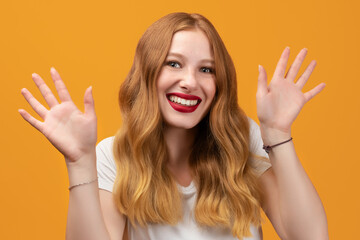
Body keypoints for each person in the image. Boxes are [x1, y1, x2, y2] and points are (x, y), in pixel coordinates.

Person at [19, 12, 328, 240]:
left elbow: (310, 237)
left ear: (219, 84)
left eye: (206, 69)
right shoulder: (113, 156)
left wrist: (277, 134)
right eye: (174, 63)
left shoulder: (241, 140)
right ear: (148, 72)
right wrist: (79, 164)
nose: (190, 82)